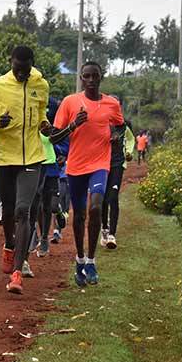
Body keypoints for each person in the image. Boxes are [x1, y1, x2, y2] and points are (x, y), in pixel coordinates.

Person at [0, 45, 50, 295]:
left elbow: (41, 112)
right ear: (11, 63)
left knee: (23, 210)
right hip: (5, 157)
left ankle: (17, 272)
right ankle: (9, 243)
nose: (21, 74)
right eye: (18, 69)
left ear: (32, 65)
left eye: (25, 70)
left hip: (32, 156)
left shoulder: (41, 85)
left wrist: (44, 124)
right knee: (8, 211)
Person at [47, 61, 124, 287]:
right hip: (76, 167)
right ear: (81, 78)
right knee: (79, 215)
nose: (90, 80)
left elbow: (120, 125)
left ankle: (91, 261)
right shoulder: (70, 102)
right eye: (86, 76)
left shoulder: (111, 104)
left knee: (96, 207)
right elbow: (54, 137)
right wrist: (73, 125)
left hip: (100, 164)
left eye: (94, 76)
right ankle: (80, 258)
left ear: (101, 78)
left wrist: (116, 135)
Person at [100, 119, 135, 250]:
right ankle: (104, 228)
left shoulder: (123, 126)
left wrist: (129, 152)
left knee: (113, 197)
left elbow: (130, 139)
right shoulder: (100, 122)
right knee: (103, 199)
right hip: (101, 164)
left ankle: (112, 235)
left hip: (117, 164)